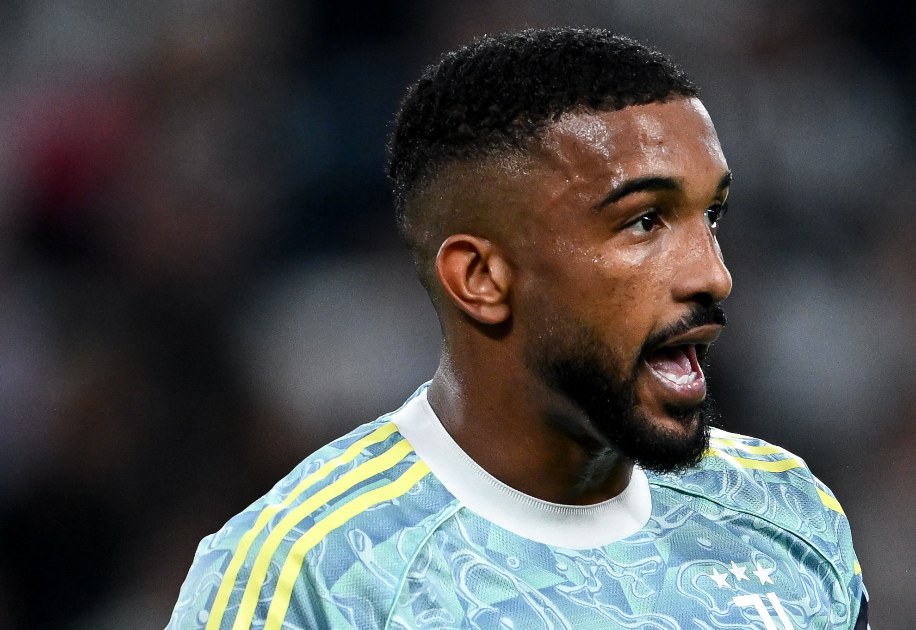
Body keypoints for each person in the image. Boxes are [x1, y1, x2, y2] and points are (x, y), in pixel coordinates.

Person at [168, 27, 868, 630]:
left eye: (710, 216)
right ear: (481, 278)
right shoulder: (310, 575)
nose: (713, 275)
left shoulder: (786, 515)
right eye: (644, 221)